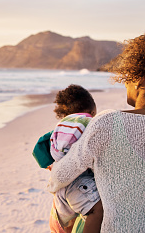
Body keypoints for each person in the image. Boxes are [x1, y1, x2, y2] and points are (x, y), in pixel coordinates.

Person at [47, 34, 145, 232]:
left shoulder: (108, 123)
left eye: (128, 78)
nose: (125, 83)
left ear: (140, 80)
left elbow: (60, 176)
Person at [33, 85, 102, 233]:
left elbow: (39, 152)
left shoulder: (60, 130)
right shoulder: (87, 123)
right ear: (92, 111)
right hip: (78, 182)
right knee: (97, 210)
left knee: (69, 222)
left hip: (63, 189)